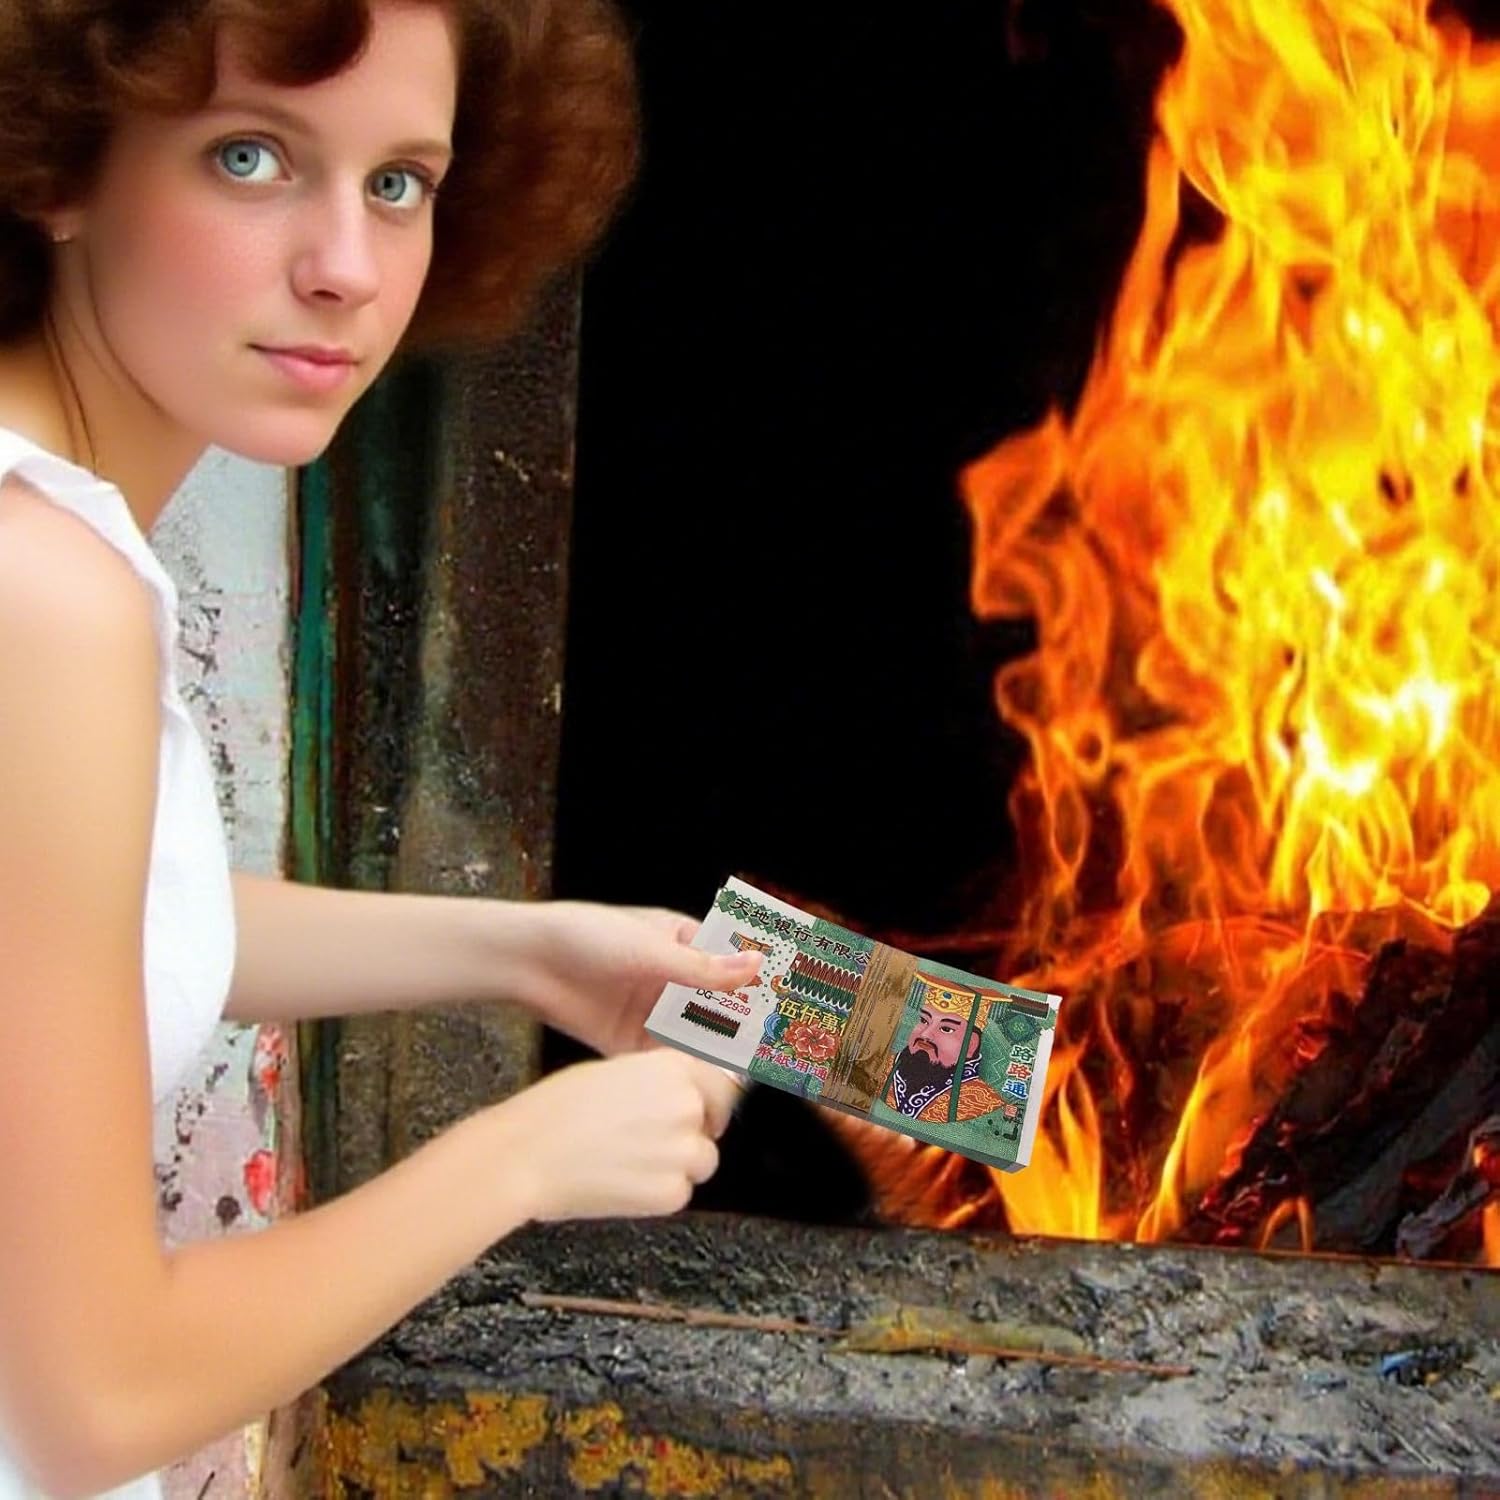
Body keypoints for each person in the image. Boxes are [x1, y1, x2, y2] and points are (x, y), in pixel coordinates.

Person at [0, 2, 760, 1493]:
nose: (346, 266)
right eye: (250, 157)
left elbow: (97, 935)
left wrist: (526, 952)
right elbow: (94, 1392)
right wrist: (524, 1157)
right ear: (59, 161)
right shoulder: (47, 602)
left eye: (400, 182)